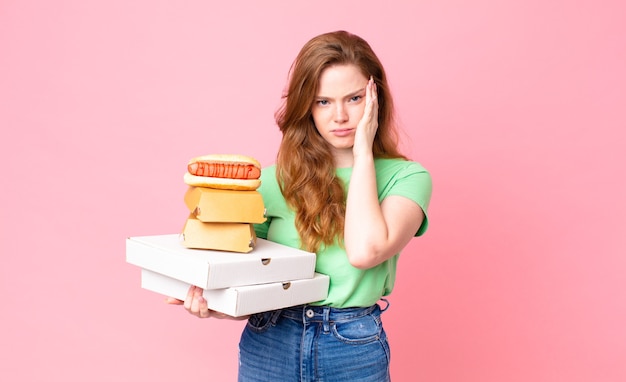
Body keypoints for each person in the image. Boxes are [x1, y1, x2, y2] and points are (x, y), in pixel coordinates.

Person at [168, 30, 432, 381]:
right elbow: (249, 277)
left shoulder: (407, 178)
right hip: (270, 340)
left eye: (353, 99)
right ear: (306, 106)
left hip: (351, 346)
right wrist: (215, 304)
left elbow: (365, 251)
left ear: (375, 99)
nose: (340, 116)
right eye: (323, 101)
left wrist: (362, 154)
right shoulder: (270, 181)